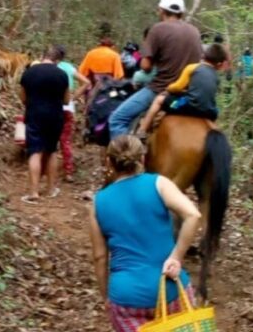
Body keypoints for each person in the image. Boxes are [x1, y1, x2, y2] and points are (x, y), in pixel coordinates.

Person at [89, 135, 202, 331]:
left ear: (109, 162)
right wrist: (176, 257)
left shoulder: (97, 203)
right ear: (142, 159)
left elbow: (100, 257)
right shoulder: (159, 183)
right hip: (170, 287)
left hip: (127, 299)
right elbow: (193, 215)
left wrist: (106, 296)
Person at [108, 0, 202, 138]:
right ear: (181, 13)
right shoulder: (195, 31)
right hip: (188, 93)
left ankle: (125, 156)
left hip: (160, 89)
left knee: (117, 119)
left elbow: (146, 67)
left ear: (161, 10)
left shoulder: (157, 29)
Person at [136, 43, 229, 138]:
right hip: (209, 111)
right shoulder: (216, 77)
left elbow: (178, 87)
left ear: (204, 56)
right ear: (219, 64)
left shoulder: (192, 67)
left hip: (187, 105)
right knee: (216, 111)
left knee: (159, 100)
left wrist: (169, 88)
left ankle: (142, 130)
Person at [19, 45, 70, 203]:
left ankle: (34, 192)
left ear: (43, 56)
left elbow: (22, 98)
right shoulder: (62, 75)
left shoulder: (29, 73)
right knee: (51, 150)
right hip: (55, 115)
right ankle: (51, 189)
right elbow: (67, 100)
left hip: (35, 114)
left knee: (35, 151)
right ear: (57, 60)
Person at [56, 46, 92, 182]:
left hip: (52, 107)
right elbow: (86, 82)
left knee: (49, 139)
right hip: (68, 108)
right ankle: (68, 172)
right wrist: (74, 97)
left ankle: (45, 170)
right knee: (65, 141)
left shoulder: (51, 67)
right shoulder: (69, 67)